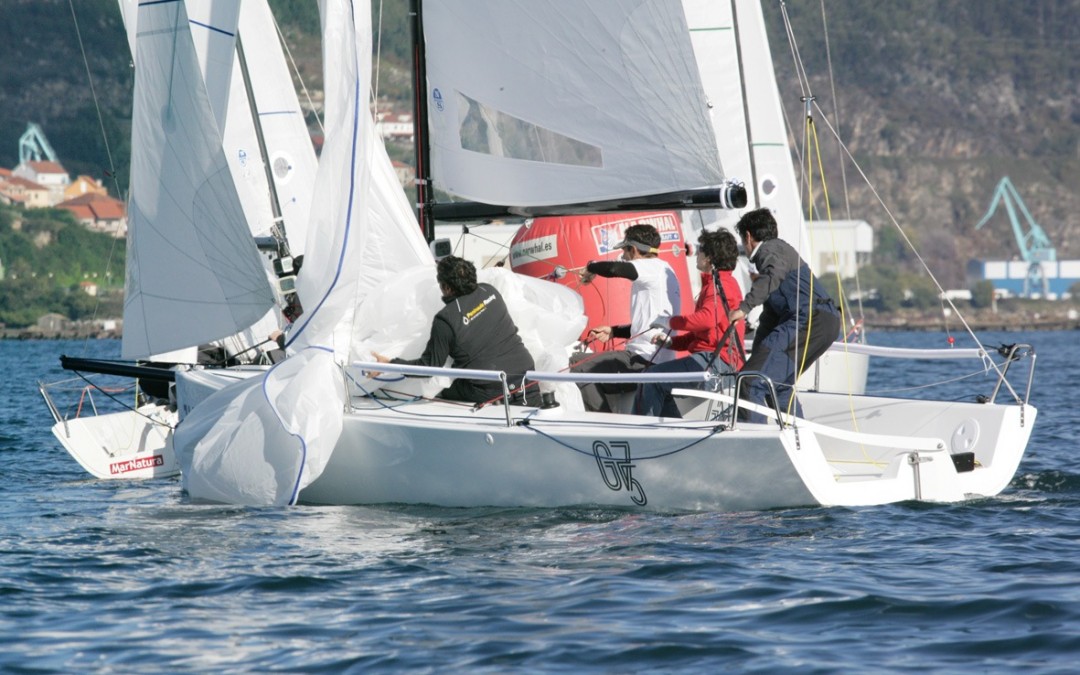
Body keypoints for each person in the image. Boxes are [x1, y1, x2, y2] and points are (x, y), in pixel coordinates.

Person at [729, 208, 841, 422]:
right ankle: (797, 440)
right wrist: (757, 356)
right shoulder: (779, 255)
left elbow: (773, 274)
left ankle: (754, 446)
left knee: (749, 380)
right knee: (778, 386)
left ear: (748, 236)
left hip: (810, 320)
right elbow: (770, 319)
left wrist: (744, 308)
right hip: (824, 323)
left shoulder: (771, 250)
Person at [374, 256, 535, 404]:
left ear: (447, 288)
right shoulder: (490, 291)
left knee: (440, 390)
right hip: (528, 375)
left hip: (491, 389)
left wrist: (389, 364)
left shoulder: (446, 320)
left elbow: (429, 367)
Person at [570, 223, 681, 412]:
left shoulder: (647, 267)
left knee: (577, 365)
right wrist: (614, 331)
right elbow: (648, 323)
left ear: (635, 249)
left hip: (643, 361)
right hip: (657, 360)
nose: (623, 256)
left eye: (625, 251)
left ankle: (605, 426)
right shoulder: (665, 268)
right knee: (582, 364)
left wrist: (592, 267)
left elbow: (615, 269)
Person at [637, 229, 745, 418]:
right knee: (659, 382)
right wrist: (673, 343)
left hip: (717, 365)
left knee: (651, 377)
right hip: (718, 362)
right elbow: (707, 333)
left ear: (709, 258)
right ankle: (675, 432)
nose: (697, 253)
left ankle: (646, 433)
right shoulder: (721, 283)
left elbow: (705, 320)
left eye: (701, 250)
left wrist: (668, 321)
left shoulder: (720, 286)